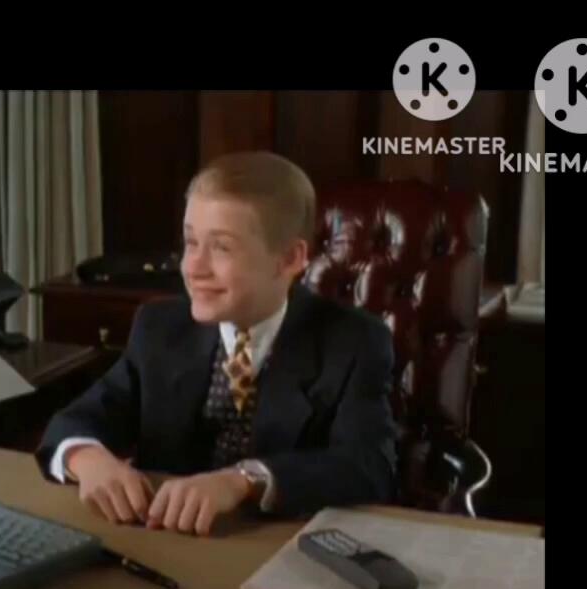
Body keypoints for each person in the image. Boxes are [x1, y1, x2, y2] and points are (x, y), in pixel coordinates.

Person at [35, 152, 398, 535]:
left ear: (289, 259)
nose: (193, 267)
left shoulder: (354, 341)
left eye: (222, 247)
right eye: (191, 242)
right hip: (162, 537)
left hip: (278, 542)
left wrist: (244, 480)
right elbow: (76, 420)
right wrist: (87, 458)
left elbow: (370, 467)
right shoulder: (160, 328)